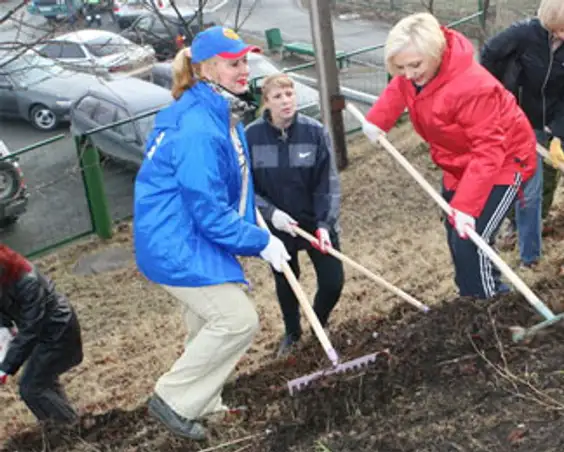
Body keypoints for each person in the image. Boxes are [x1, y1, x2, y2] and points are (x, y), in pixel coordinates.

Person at [133, 26, 291, 441]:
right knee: (237, 320)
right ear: (205, 68)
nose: (243, 71)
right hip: (177, 242)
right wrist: (260, 243)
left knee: (206, 322)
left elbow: (231, 186)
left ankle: (204, 403)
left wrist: (263, 221)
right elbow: (206, 209)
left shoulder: (220, 112)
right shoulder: (198, 127)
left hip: (188, 234)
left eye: (243, 61)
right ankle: (173, 398)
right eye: (232, 63)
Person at [359, 12, 537, 300]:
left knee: (472, 241)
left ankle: (492, 309)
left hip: (502, 162)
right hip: (458, 165)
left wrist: (467, 207)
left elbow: (490, 150)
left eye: (415, 65)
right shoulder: (415, 74)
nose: (409, 73)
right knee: (457, 241)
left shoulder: (472, 87)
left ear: (436, 52)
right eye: (401, 67)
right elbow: (400, 89)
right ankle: (470, 302)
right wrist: (378, 121)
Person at [480, 0, 564, 267]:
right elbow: (488, 55)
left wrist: (557, 135)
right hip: (521, 118)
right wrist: (498, 99)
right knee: (531, 188)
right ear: (556, 22)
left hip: (563, 112)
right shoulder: (522, 35)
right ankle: (530, 258)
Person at [245, 74, 345, 357]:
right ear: (267, 102)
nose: (286, 101)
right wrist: (270, 214)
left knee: (332, 281)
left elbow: (328, 182)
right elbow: (244, 188)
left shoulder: (314, 132)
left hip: (314, 222)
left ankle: (318, 323)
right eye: (278, 96)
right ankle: (292, 333)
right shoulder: (251, 137)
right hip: (278, 226)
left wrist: (325, 224)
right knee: (287, 279)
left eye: (289, 94)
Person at [0, 244, 83, 426]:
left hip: (58, 331)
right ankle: (62, 428)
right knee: (43, 382)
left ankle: (68, 428)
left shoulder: (28, 281)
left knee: (32, 388)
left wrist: (4, 368)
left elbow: (31, 329)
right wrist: (4, 331)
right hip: (43, 333)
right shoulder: (5, 277)